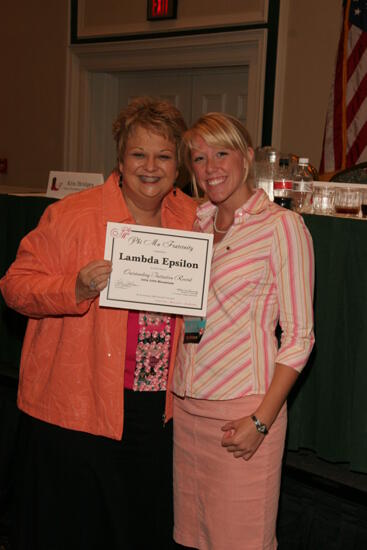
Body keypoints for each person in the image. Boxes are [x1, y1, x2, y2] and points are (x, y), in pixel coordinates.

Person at [0, 97, 197, 550]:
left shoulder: (192, 218)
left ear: (178, 165)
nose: (151, 166)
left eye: (164, 156)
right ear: (120, 161)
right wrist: (76, 288)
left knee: (137, 529)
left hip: (154, 409)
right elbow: (14, 286)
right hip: (77, 409)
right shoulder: (72, 215)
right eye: (138, 154)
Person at [172, 113, 315, 550]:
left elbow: (300, 335)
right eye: (198, 157)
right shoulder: (196, 223)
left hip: (244, 413)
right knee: (194, 539)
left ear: (247, 155)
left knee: (242, 542)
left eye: (221, 153)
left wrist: (262, 420)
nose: (210, 166)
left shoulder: (281, 227)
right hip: (187, 409)